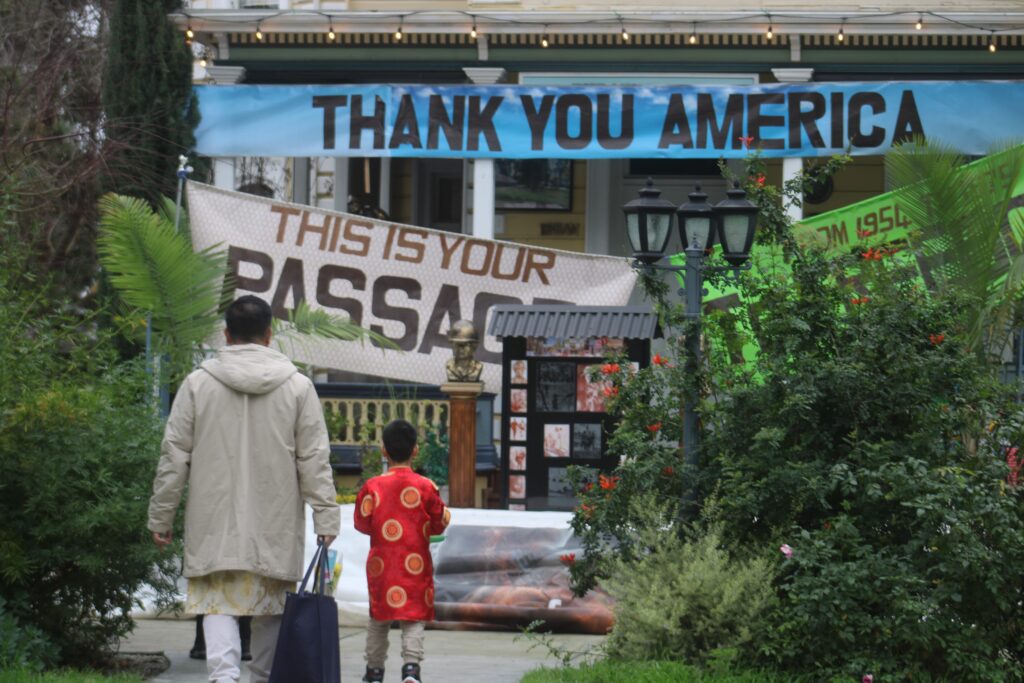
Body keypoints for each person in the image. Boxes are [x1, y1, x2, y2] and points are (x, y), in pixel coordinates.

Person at [147, 295, 340, 683]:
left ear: (226, 334)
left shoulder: (198, 384)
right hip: (276, 519)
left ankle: (222, 677)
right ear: (270, 335)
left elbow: (174, 454)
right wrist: (325, 514)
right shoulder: (299, 387)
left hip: (212, 520)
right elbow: (314, 458)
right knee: (273, 605)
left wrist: (161, 514)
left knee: (217, 602)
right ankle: (262, 677)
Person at [355, 420, 451, 683]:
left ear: (383, 451)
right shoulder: (425, 486)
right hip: (415, 563)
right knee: (414, 617)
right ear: (415, 450)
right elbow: (439, 521)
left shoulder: (372, 487)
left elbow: (361, 523)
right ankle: (411, 669)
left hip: (381, 565)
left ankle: (374, 673)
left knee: (379, 618)